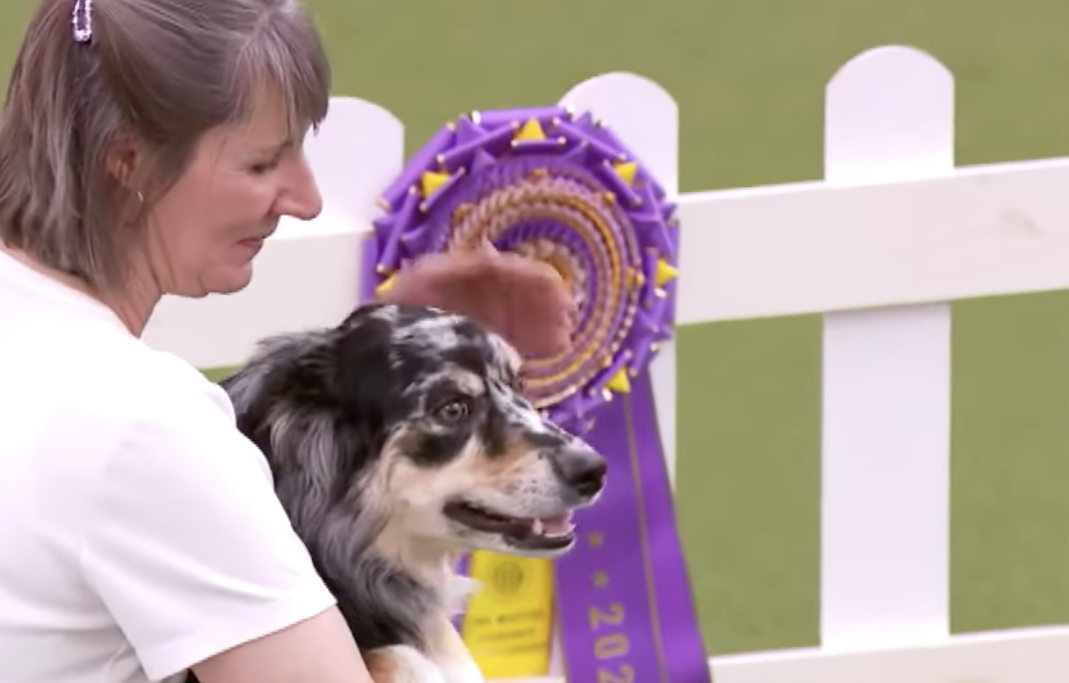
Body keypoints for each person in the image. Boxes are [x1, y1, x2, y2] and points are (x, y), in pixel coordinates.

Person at [0, 1, 573, 683]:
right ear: (128, 159)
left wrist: (395, 363)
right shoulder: (145, 427)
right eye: (262, 162)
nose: (303, 197)